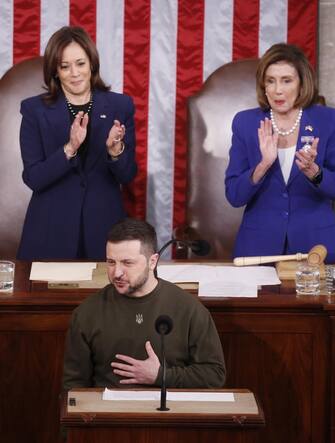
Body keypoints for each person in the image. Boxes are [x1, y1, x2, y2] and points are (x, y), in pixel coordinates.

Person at [17, 26, 137, 260]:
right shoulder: (34, 110)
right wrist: (69, 149)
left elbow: (128, 175)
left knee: (105, 296)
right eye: (65, 66)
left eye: (80, 63)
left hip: (104, 228)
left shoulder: (119, 106)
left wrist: (115, 151)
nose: (74, 73)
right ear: (55, 71)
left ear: (92, 63)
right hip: (50, 232)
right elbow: (34, 178)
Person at [63, 218, 226, 390]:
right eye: (111, 262)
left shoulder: (190, 309)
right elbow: (73, 385)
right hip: (109, 414)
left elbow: (214, 375)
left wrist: (161, 376)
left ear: (152, 261)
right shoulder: (87, 312)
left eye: (127, 263)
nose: (116, 273)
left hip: (169, 412)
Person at [225, 43, 335, 262]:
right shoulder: (245, 123)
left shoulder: (328, 121)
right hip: (257, 249)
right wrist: (263, 165)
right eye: (270, 81)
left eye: (287, 80)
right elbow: (234, 195)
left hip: (316, 247)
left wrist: (316, 173)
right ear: (263, 85)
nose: (277, 90)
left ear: (302, 84)